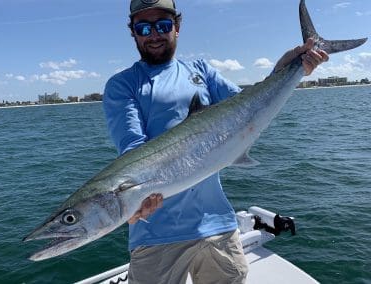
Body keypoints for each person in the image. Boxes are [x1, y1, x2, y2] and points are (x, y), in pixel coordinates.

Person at [103, 1, 329, 283]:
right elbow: (133, 152)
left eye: (162, 25)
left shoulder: (201, 70)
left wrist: (286, 70)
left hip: (218, 226)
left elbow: (247, 109)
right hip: (155, 233)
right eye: (143, 27)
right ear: (133, 32)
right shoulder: (123, 84)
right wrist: (131, 203)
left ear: (178, 26)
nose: (154, 34)